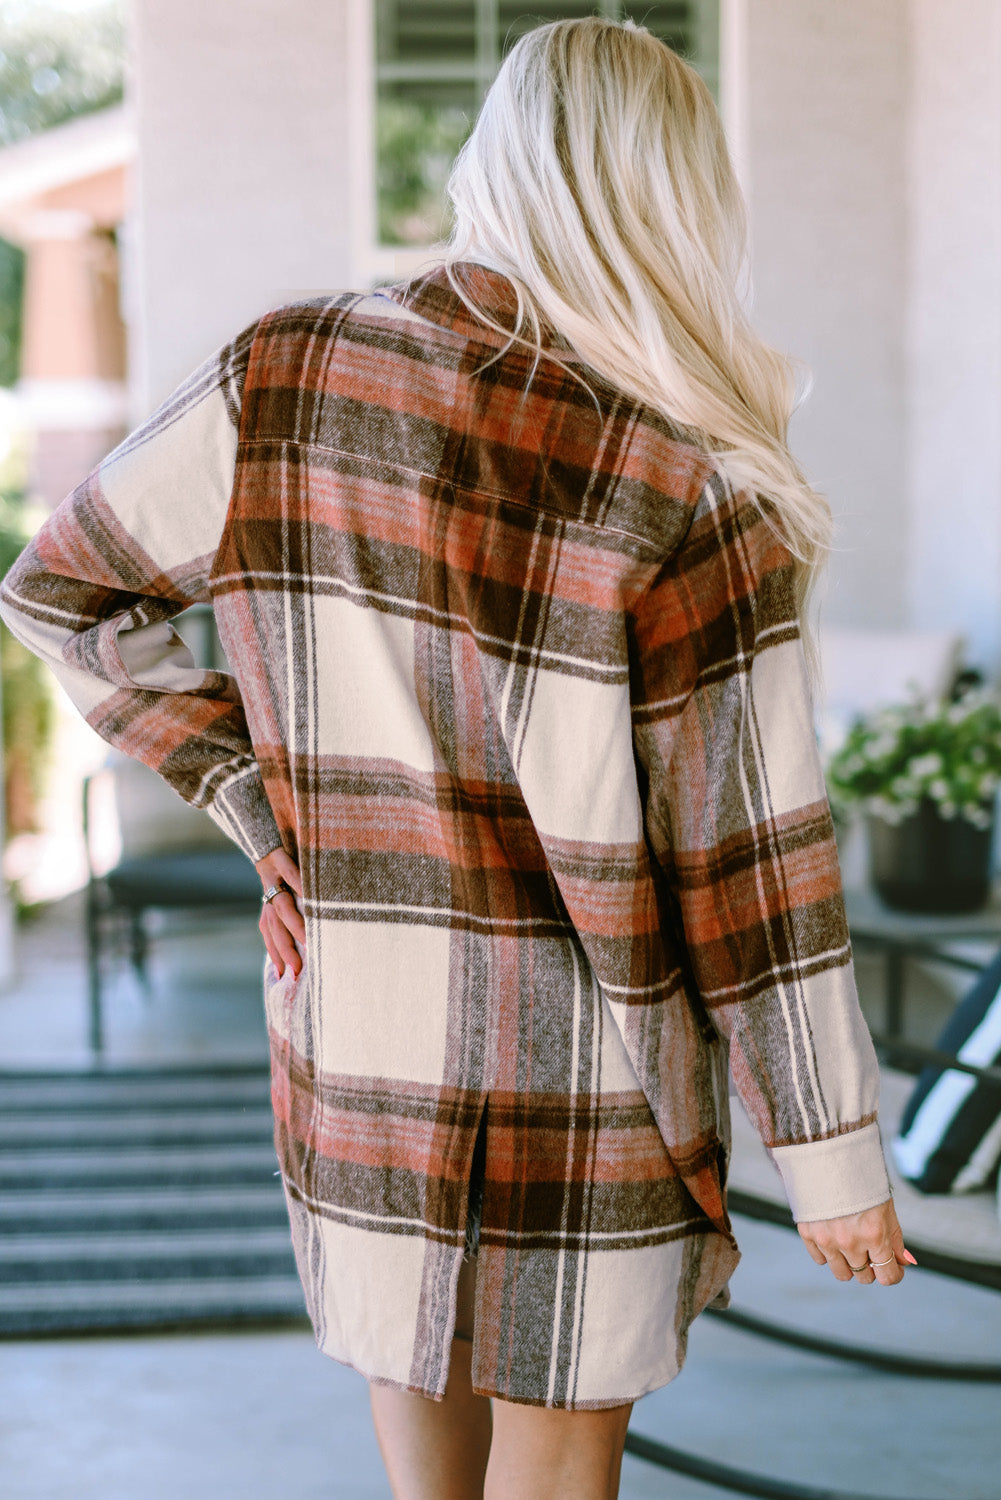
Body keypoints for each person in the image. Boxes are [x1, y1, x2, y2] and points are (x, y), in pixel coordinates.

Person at [0, 17, 913, 1500]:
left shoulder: (286, 375)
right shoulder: (693, 485)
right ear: (677, 196)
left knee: (423, 1451)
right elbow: (749, 869)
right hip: (595, 1070)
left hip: (367, 1026)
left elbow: (62, 594)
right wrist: (833, 1158)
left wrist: (275, 820)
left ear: (499, 166)